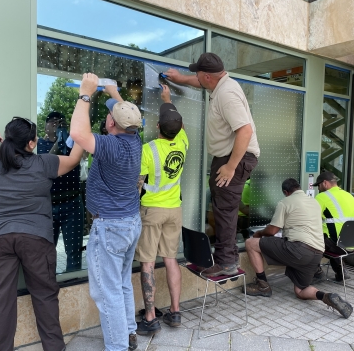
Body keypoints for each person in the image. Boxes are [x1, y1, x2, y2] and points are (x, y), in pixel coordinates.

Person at [0, 117, 83, 351]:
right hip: (36, 239)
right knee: (45, 296)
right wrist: (82, 131)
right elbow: (75, 158)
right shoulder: (44, 163)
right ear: (32, 143)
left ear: (5, 139)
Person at [165, 52, 260, 277]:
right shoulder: (220, 84)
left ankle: (226, 263)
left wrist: (230, 167)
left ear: (208, 76)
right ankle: (224, 258)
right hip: (228, 156)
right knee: (221, 207)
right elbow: (198, 81)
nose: (196, 77)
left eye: (198, 73)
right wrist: (180, 79)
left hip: (236, 157)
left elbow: (245, 131)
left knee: (225, 211)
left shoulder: (227, 94)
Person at [70, 73, 142, 351]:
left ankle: (118, 346)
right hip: (129, 223)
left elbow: (78, 133)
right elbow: (127, 114)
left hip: (111, 228)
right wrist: (113, 92)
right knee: (121, 282)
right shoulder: (134, 140)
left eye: (111, 114)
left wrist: (86, 93)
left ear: (111, 123)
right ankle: (129, 333)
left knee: (106, 292)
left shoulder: (111, 146)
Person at [244, 178, 353, 319]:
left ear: (285, 192)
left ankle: (262, 285)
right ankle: (326, 296)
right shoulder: (314, 202)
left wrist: (258, 234)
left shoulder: (285, 202)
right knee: (300, 290)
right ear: (299, 188)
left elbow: (272, 231)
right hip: (317, 253)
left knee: (250, 243)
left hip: (298, 249)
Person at [134, 85, 188, 336]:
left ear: (157, 127)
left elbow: (139, 183)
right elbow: (180, 125)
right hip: (174, 210)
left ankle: (150, 316)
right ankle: (175, 311)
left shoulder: (148, 149)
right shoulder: (183, 142)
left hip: (152, 210)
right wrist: (168, 99)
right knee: (170, 259)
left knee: (147, 261)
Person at [37, 111, 84, 272]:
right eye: (53, 122)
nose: (57, 124)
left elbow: (82, 155)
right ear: (45, 126)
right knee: (46, 251)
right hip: (48, 206)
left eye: (61, 122)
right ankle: (49, 283)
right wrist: (59, 142)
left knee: (74, 251)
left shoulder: (72, 143)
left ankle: (73, 281)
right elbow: (46, 166)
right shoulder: (39, 145)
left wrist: (69, 138)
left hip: (72, 204)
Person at [312, 171, 354, 281]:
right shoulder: (349, 196)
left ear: (325, 183)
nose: (318, 189)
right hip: (352, 244)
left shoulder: (322, 197)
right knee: (331, 237)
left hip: (336, 245)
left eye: (318, 185)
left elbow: (310, 219)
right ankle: (341, 271)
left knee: (308, 240)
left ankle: (316, 272)